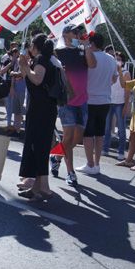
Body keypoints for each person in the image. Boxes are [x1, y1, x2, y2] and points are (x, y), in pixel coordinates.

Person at [17, 33, 60, 201]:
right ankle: (38, 187)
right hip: (45, 108)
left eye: (31, 46)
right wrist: (23, 65)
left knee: (38, 147)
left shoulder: (42, 59)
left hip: (41, 110)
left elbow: (37, 80)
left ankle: (43, 187)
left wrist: (26, 67)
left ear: (35, 47)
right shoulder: (50, 60)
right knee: (38, 146)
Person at [54, 23, 94, 186]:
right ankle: (70, 173)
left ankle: (56, 156)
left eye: (79, 32)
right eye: (75, 32)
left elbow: (92, 64)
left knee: (76, 139)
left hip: (83, 100)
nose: (78, 34)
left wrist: (86, 46)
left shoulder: (83, 51)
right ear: (65, 35)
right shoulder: (59, 53)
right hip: (66, 101)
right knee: (69, 136)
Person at [81, 32, 119, 175]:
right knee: (99, 134)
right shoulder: (111, 59)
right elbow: (114, 79)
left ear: (92, 43)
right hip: (105, 100)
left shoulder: (88, 56)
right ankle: (96, 164)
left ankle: (90, 164)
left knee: (88, 134)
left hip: (90, 100)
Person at [107, 51, 130, 161]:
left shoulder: (126, 73)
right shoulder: (110, 71)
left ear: (123, 61)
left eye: (119, 59)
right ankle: (105, 149)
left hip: (120, 103)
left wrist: (126, 105)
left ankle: (121, 151)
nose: (117, 61)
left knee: (121, 129)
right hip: (109, 102)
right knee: (106, 128)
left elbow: (127, 89)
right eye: (115, 58)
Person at [4, 45, 26, 136]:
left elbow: (23, 73)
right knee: (17, 112)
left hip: (25, 90)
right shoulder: (17, 61)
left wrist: (15, 73)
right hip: (17, 89)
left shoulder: (29, 62)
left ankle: (23, 131)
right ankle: (16, 131)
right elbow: (13, 75)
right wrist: (12, 87)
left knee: (23, 112)